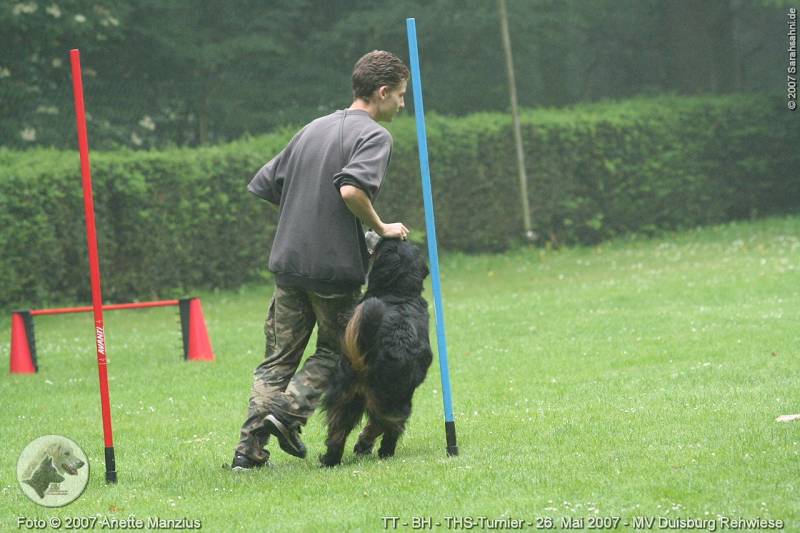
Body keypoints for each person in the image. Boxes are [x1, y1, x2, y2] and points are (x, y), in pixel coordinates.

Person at [232, 50, 410, 470]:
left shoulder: (313, 128)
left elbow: (267, 184)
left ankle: (248, 452)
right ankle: (289, 412)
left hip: (289, 262)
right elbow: (351, 190)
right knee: (340, 352)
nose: (403, 104)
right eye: (401, 95)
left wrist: (306, 217)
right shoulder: (375, 136)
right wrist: (381, 227)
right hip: (333, 271)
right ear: (382, 92)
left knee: (277, 360)